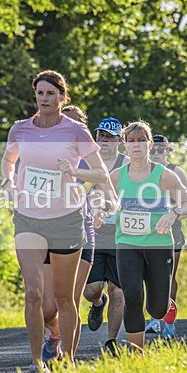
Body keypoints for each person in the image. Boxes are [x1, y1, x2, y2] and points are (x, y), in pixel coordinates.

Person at [1, 70, 108, 373]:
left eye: (50, 93)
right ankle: (37, 363)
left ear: (63, 97)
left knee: (64, 298)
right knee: (34, 292)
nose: (44, 99)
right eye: (40, 93)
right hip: (28, 217)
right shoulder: (21, 129)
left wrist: (73, 172)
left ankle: (70, 360)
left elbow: (100, 174)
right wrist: (7, 181)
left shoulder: (76, 132)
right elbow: (9, 160)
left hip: (66, 219)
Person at [111, 121, 187, 353]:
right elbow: (101, 199)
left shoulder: (164, 175)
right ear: (124, 145)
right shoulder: (117, 176)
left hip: (159, 244)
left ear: (149, 144)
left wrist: (174, 214)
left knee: (157, 309)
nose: (136, 145)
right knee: (133, 297)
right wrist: (99, 210)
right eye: (131, 141)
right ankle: (137, 354)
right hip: (127, 243)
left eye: (141, 141)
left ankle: (164, 308)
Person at [40, 105, 109, 363]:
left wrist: (100, 208)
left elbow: (103, 189)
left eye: (75, 121)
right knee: (48, 310)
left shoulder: (88, 158)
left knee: (69, 300)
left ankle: (68, 360)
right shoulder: (45, 156)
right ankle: (55, 334)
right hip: (48, 230)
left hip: (81, 231)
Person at [83, 117, 129, 355]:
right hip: (94, 232)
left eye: (110, 137)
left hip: (122, 235)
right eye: (101, 136)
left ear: (120, 140)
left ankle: (111, 342)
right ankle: (97, 303)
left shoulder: (129, 164)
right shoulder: (90, 162)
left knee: (118, 291)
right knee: (90, 290)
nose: (105, 141)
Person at [145, 134, 187, 338]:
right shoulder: (143, 170)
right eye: (153, 150)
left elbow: (185, 200)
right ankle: (154, 318)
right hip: (146, 229)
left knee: (168, 276)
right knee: (149, 276)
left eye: (160, 150)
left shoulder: (174, 171)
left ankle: (169, 322)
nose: (156, 154)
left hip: (172, 227)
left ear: (168, 151)